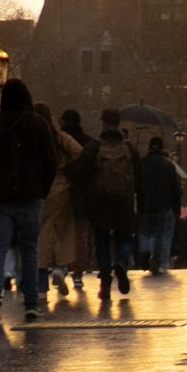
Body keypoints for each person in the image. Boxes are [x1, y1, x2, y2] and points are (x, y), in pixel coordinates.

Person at [0, 78, 61, 321]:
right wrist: (42, 188)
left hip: (0, 197)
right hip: (31, 195)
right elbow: (50, 161)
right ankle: (31, 302)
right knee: (29, 249)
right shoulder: (39, 124)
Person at [72, 108, 143, 300]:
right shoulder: (129, 149)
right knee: (124, 238)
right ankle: (121, 262)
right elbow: (140, 176)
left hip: (99, 202)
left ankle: (105, 282)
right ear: (119, 123)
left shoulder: (94, 147)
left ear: (102, 123)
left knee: (102, 241)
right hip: (124, 201)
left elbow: (80, 173)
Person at [41, 108, 91, 299]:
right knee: (63, 231)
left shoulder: (33, 136)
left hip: (40, 189)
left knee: (42, 232)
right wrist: (68, 167)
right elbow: (80, 152)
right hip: (61, 187)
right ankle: (60, 268)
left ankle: (40, 284)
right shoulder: (59, 137)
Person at [137, 135, 186, 275]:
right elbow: (176, 189)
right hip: (164, 205)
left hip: (145, 205)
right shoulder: (169, 166)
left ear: (148, 148)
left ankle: (145, 251)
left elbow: (137, 185)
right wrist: (177, 209)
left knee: (145, 231)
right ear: (163, 148)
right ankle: (160, 263)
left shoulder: (142, 163)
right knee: (163, 234)